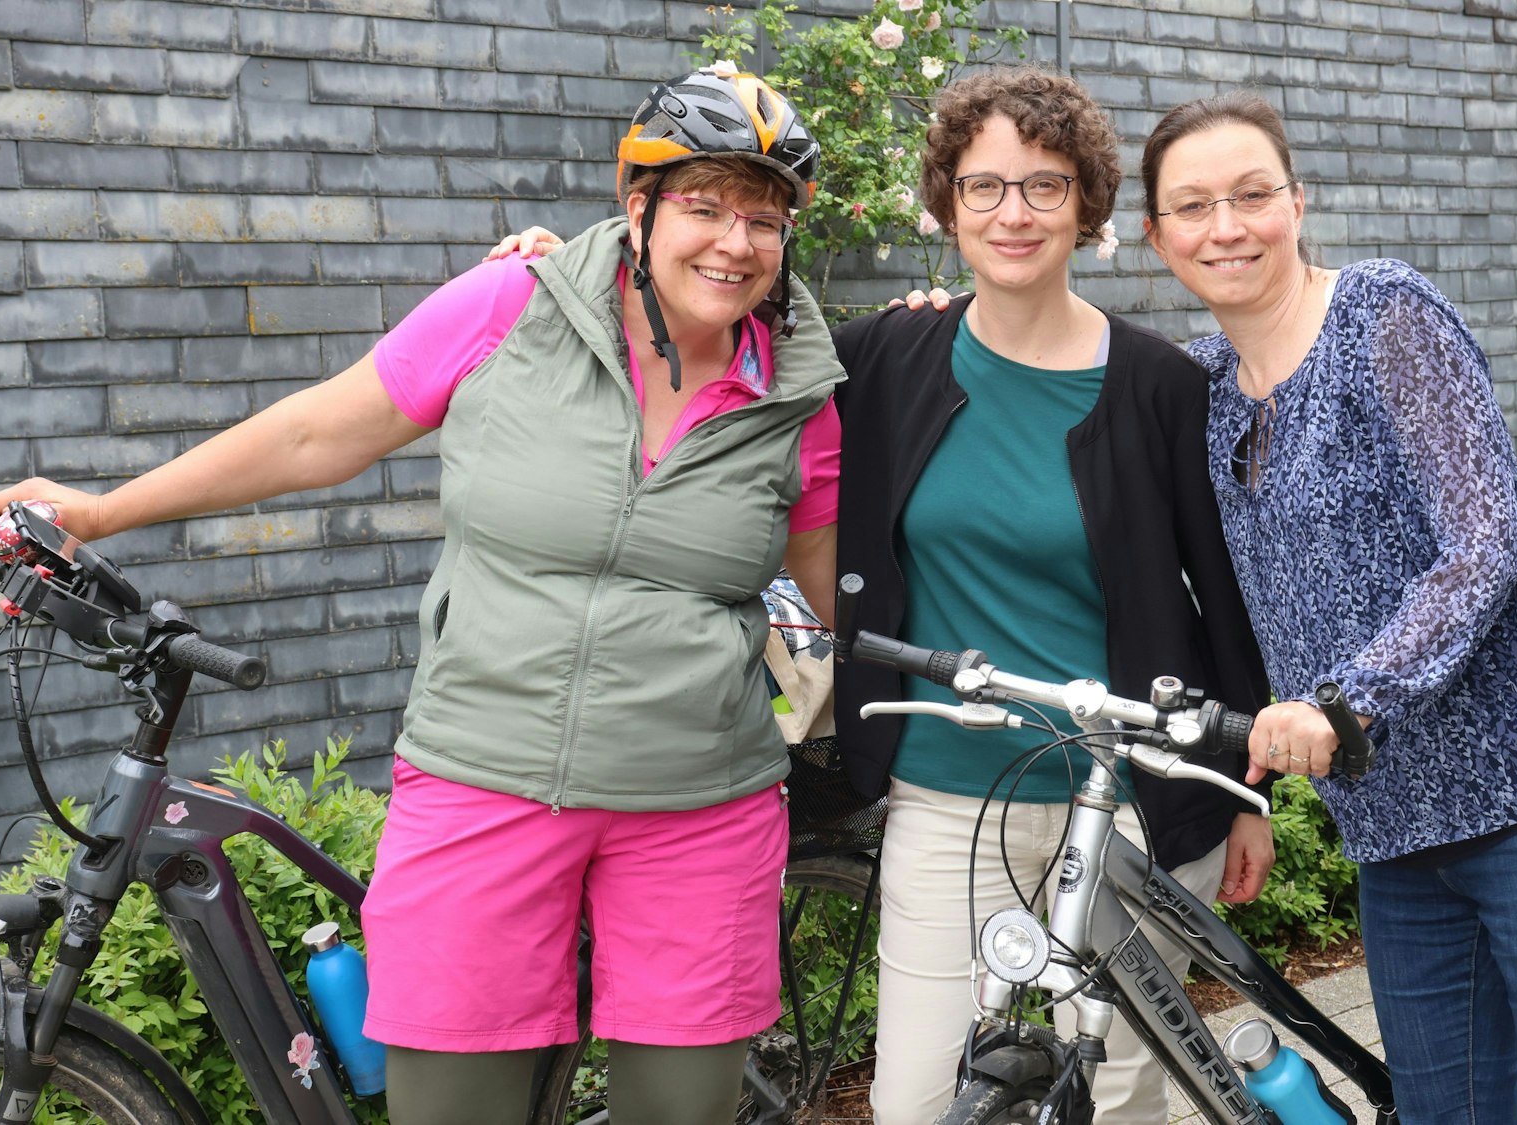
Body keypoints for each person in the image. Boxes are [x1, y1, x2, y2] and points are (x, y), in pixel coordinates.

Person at [0, 69, 846, 1125]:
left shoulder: (801, 394)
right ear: (640, 208)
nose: (735, 242)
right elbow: (315, 433)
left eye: (764, 218)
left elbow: (829, 596)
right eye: (705, 207)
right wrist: (102, 510)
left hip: (699, 808)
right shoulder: (512, 307)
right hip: (484, 775)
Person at [495, 67, 1273, 1125]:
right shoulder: (880, 356)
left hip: (1131, 799)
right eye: (983, 186)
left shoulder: (1160, 386)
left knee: (1117, 1098)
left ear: (1086, 205)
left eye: (1043, 186)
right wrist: (561, 273)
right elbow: (702, 326)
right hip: (947, 798)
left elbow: (1222, 598)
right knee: (919, 1099)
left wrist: (1245, 792)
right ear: (947, 204)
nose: (1012, 213)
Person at [1137, 92, 1517, 1122]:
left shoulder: (1381, 315)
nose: (1226, 227)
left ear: (1296, 203)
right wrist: (940, 320)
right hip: (1399, 833)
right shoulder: (1201, 383)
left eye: (1252, 195)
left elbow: (1487, 542)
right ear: (1155, 234)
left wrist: (1350, 701)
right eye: (1193, 206)